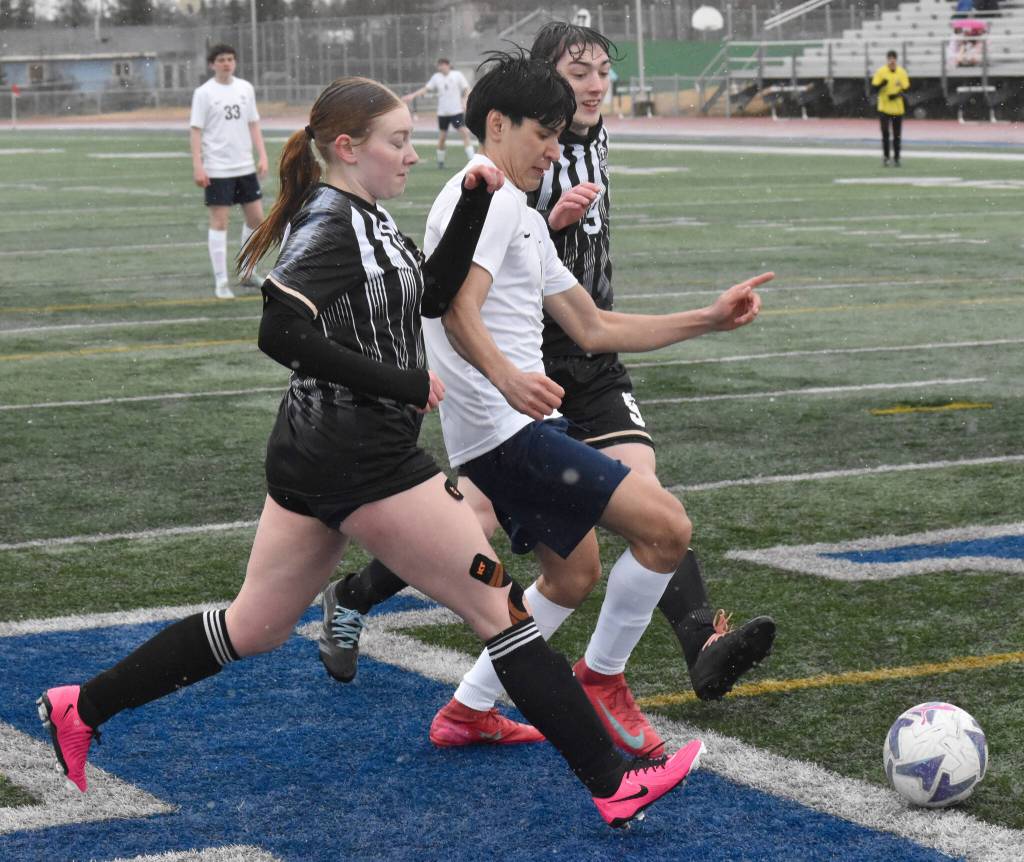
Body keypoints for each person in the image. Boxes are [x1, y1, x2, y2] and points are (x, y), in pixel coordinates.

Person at [36, 76, 704, 830]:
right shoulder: (332, 222)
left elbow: (429, 296)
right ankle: (614, 781)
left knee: (254, 626)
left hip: (312, 453)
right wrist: (400, 380)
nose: (414, 154)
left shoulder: (368, 217)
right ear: (349, 148)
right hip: (366, 461)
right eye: (399, 140)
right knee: (503, 611)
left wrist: (477, 202)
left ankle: (80, 706)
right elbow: (279, 331)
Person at [317, 25, 776, 756]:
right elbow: (453, 305)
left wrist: (709, 319)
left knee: (573, 576)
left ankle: (467, 710)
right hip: (509, 434)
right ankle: (604, 679)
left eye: (562, 135)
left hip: (518, 429)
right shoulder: (490, 197)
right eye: (544, 133)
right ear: (497, 125)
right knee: (666, 528)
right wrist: (507, 377)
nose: (556, 150)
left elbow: (591, 326)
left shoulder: (517, 211)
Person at [190, 43, 269, 299]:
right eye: (222, 59)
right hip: (217, 168)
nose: (227, 63)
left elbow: (253, 123)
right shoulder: (204, 93)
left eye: (230, 59)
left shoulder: (245, 88)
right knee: (220, 222)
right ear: (212, 64)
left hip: (244, 165)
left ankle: (247, 271)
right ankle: (221, 281)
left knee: (257, 219)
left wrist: (263, 155)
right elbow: (196, 130)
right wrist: (198, 165)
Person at [402, 58, 475, 170]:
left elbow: (466, 89)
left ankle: (472, 160)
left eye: (442, 65)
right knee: (442, 137)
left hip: (456, 112)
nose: (440, 67)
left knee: (464, 132)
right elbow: (426, 89)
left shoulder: (457, 75)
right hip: (443, 113)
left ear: (448, 65)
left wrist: (465, 100)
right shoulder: (436, 77)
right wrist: (412, 96)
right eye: (439, 65)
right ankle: (440, 162)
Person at [871, 51, 910, 167]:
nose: (892, 61)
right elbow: (873, 89)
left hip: (898, 109)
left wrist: (897, 95)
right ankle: (886, 157)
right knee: (885, 134)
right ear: (887, 59)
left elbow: (906, 88)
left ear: (896, 60)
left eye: (894, 59)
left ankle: (897, 158)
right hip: (884, 108)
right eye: (890, 58)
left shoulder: (901, 72)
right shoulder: (881, 72)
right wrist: (881, 84)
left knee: (897, 135)